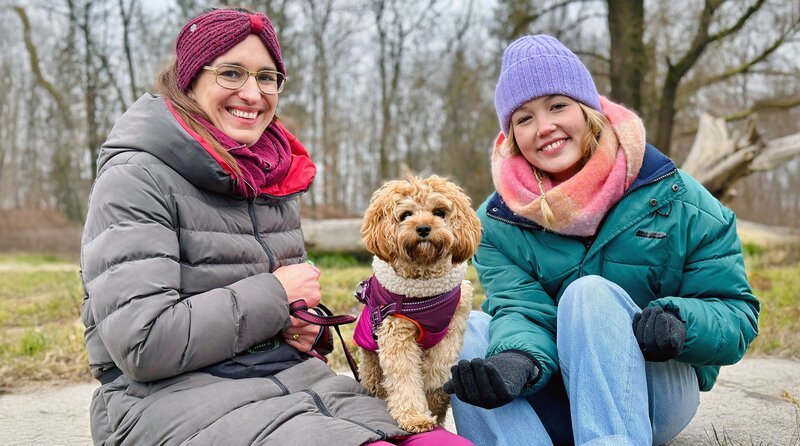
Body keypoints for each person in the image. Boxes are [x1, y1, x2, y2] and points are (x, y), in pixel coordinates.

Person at [80, 7, 471, 446]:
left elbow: (286, 305)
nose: (252, 93)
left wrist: (310, 327)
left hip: (291, 381)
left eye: (267, 78)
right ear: (189, 79)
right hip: (171, 401)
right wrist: (276, 297)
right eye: (231, 73)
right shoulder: (134, 180)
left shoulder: (273, 176)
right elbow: (142, 344)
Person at [442, 34, 760, 446]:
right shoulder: (498, 221)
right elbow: (521, 310)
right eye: (524, 118)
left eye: (558, 105)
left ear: (587, 107)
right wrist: (516, 360)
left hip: (653, 394)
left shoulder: (677, 197)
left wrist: (681, 323)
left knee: (588, 292)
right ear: (512, 135)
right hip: (556, 395)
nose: (544, 127)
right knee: (466, 329)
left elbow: (737, 314)